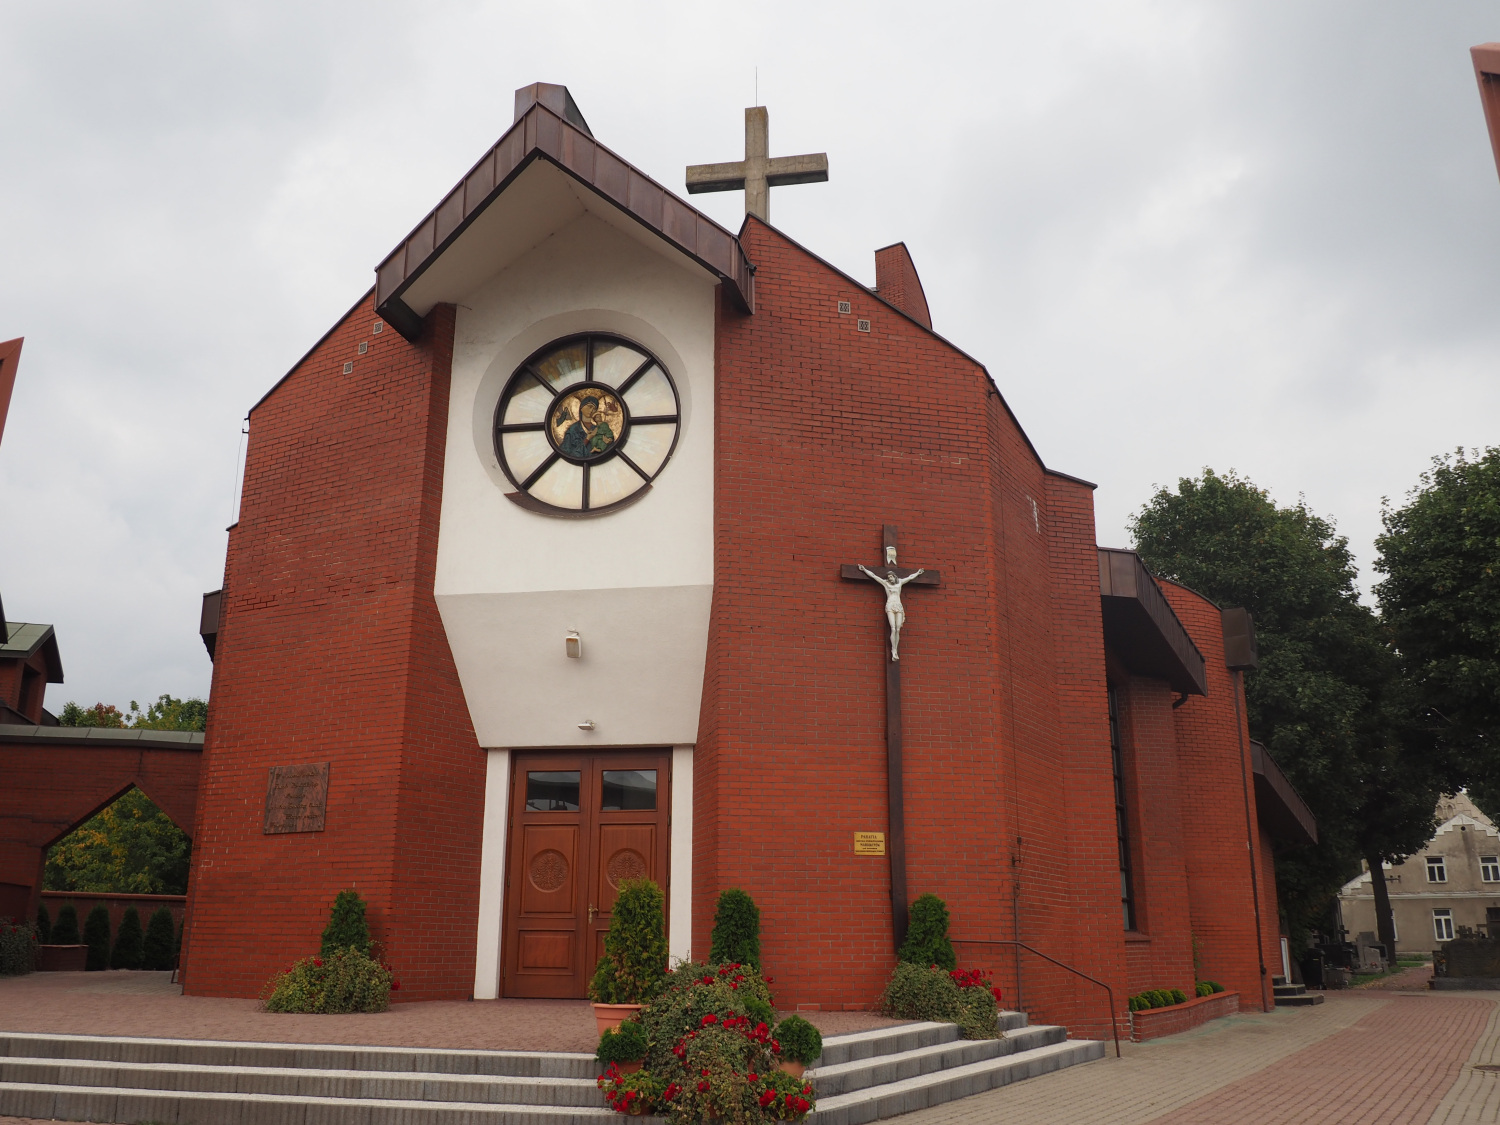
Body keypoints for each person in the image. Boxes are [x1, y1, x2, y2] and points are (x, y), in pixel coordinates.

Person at [856, 566, 926, 660]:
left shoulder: (900, 582)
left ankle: (895, 649)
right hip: (890, 606)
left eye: (891, 577)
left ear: (894, 577)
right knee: (893, 628)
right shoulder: (885, 584)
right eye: (888, 577)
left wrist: (918, 573)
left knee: (898, 629)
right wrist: (864, 570)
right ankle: (893, 650)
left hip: (898, 606)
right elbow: (873, 576)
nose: (889, 578)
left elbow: (910, 577)